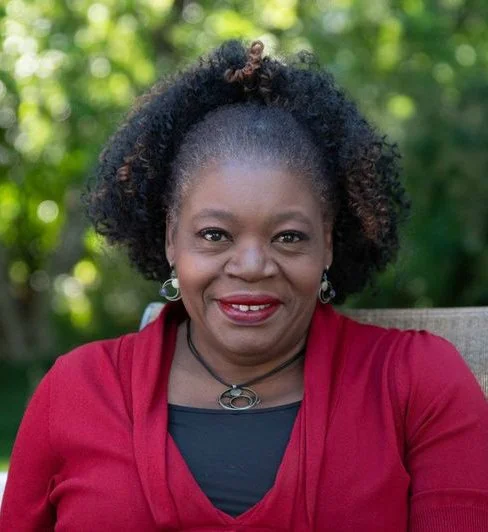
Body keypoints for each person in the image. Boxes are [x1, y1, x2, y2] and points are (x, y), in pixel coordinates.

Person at [0, 40, 487, 531]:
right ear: (171, 239)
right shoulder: (77, 391)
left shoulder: (415, 382)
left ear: (328, 245)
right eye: (215, 235)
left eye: (288, 237)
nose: (252, 266)